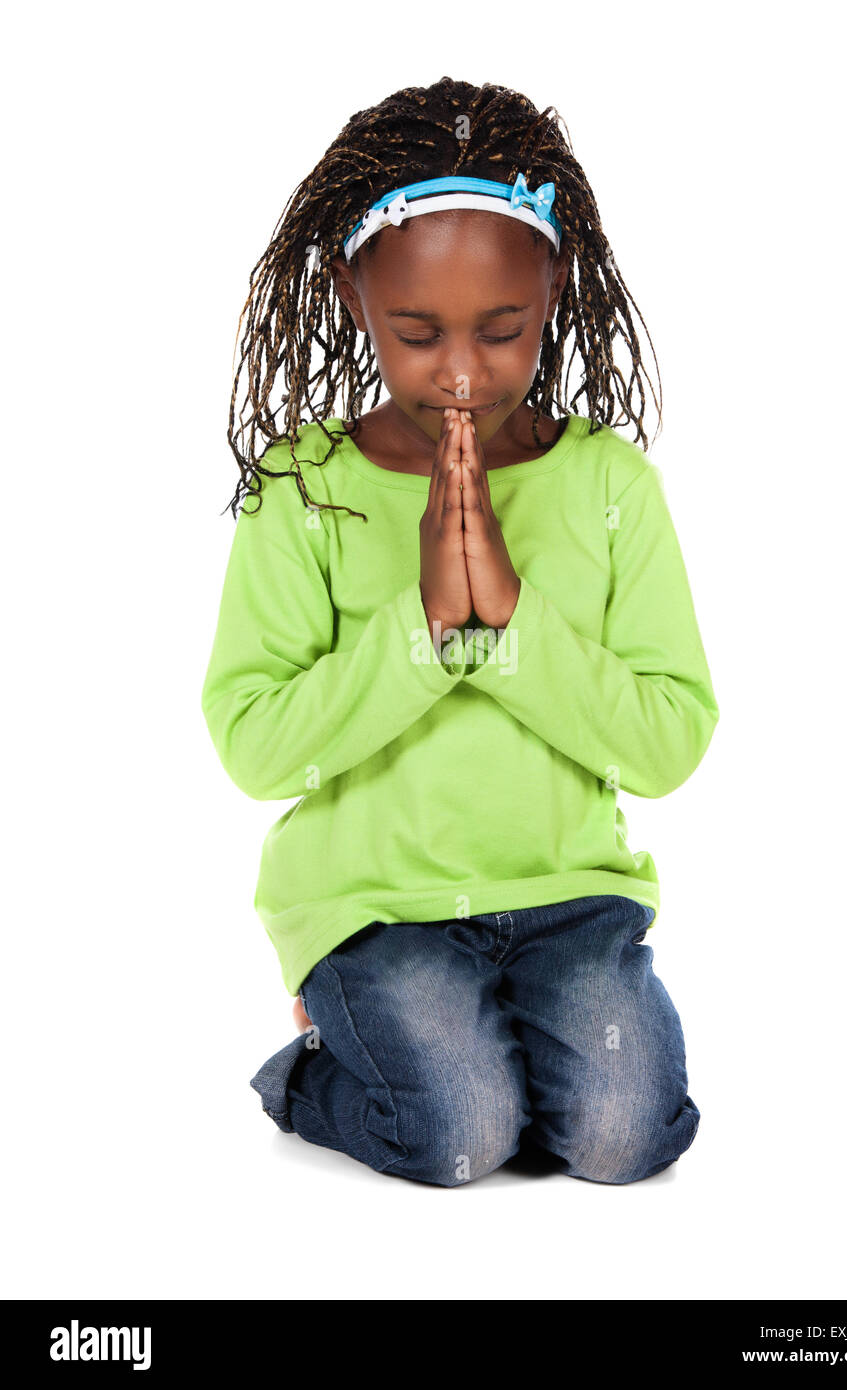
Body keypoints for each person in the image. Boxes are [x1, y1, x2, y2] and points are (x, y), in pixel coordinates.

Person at [200, 76, 720, 1187]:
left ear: (554, 285)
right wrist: (427, 624)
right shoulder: (304, 490)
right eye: (417, 332)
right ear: (352, 294)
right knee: (462, 1135)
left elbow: (670, 742)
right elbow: (254, 745)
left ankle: (491, 1060)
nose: (463, 374)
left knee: (629, 1137)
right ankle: (314, 1071)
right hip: (379, 908)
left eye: (504, 330)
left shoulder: (612, 485)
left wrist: (513, 619)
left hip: (568, 901)